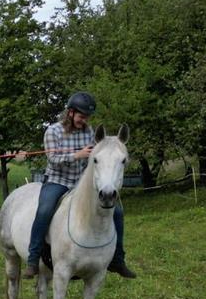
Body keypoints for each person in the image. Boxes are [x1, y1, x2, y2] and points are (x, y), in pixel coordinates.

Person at [24, 91, 136, 280]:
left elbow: (96, 157)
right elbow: (52, 159)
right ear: (70, 113)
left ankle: (117, 259)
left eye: (86, 117)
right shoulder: (53, 131)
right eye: (81, 116)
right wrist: (77, 155)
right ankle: (33, 259)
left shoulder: (89, 132)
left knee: (117, 211)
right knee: (44, 210)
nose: (84, 120)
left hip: (80, 182)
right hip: (57, 180)